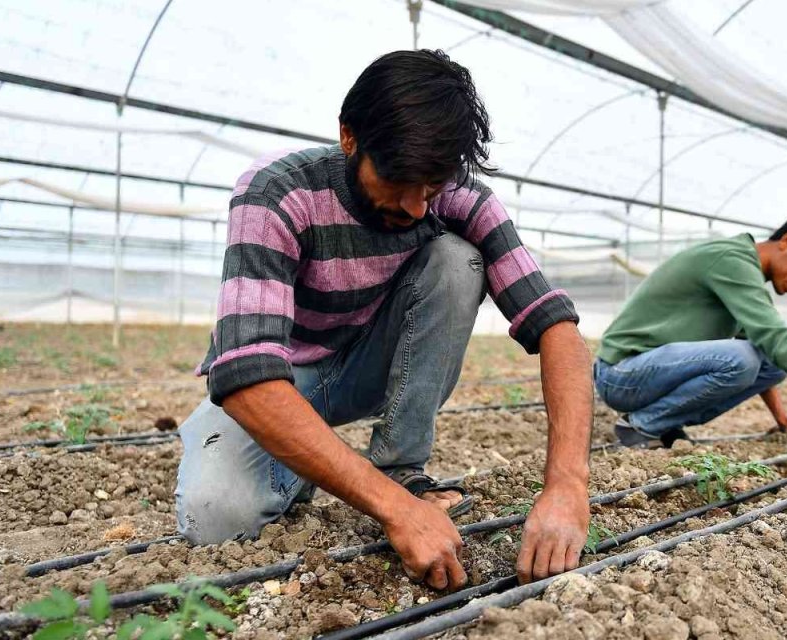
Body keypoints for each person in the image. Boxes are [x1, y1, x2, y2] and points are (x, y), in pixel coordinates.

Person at [174, 50, 593, 592]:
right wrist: (396, 512)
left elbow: (556, 327)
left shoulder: (455, 197)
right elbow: (249, 380)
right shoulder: (277, 194)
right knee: (216, 517)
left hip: (359, 366)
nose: (418, 206)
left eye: (433, 186)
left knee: (457, 260)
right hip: (280, 378)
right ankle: (316, 459)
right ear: (349, 137)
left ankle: (398, 465)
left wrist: (567, 484)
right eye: (399, 181)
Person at [594, 213, 787, 451]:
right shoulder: (731, 260)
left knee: (770, 363)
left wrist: (782, 419)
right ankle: (642, 427)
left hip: (648, 373)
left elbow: (766, 347)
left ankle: (664, 425)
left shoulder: (745, 279)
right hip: (621, 373)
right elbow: (777, 339)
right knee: (744, 358)